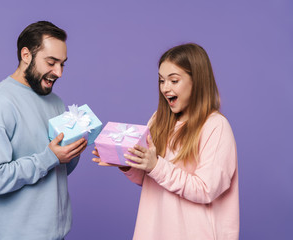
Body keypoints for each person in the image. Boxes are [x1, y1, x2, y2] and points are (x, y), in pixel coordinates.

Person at [93, 43, 239, 240]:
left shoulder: (216, 127)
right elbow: (150, 180)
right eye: (162, 80)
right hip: (153, 231)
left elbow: (206, 190)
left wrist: (156, 165)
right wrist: (126, 163)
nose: (165, 88)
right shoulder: (158, 120)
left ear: (197, 81)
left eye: (174, 80)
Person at [0, 21, 87, 240]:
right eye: (51, 62)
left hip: (57, 234)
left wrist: (72, 151)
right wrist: (49, 157)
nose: (59, 72)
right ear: (26, 55)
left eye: (62, 64)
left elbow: (55, 172)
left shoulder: (56, 103)